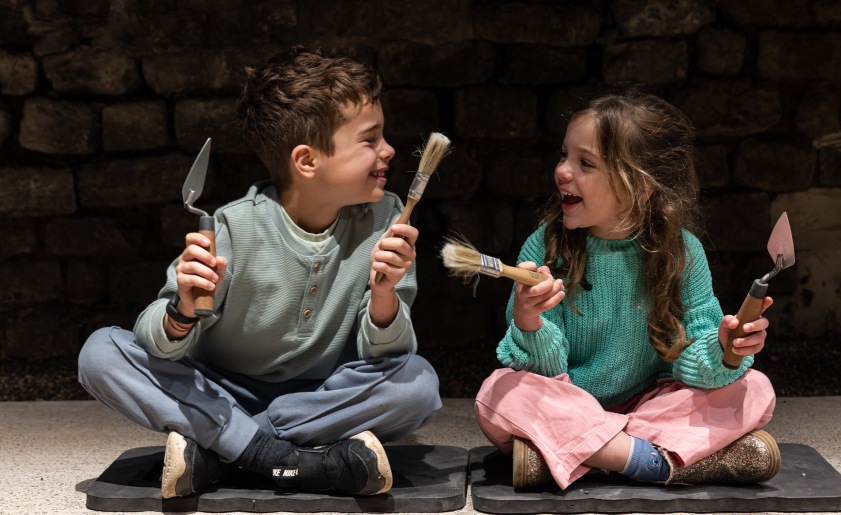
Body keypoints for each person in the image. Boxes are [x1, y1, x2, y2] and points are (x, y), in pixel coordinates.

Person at [78, 46, 442, 499]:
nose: (388, 149)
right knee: (99, 353)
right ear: (307, 161)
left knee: (418, 385)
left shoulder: (387, 219)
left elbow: (388, 354)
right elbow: (156, 341)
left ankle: (227, 451)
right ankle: (292, 461)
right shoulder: (232, 227)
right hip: (216, 390)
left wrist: (385, 296)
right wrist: (182, 311)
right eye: (370, 139)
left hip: (321, 399)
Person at [474, 87, 779, 490]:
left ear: (640, 186)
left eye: (585, 163)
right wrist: (528, 320)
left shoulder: (682, 251)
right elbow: (546, 371)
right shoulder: (544, 247)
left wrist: (724, 348)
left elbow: (693, 364)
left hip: (650, 403)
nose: (563, 171)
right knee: (499, 394)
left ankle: (580, 454)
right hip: (572, 402)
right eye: (564, 155)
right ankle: (650, 459)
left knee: (755, 389)